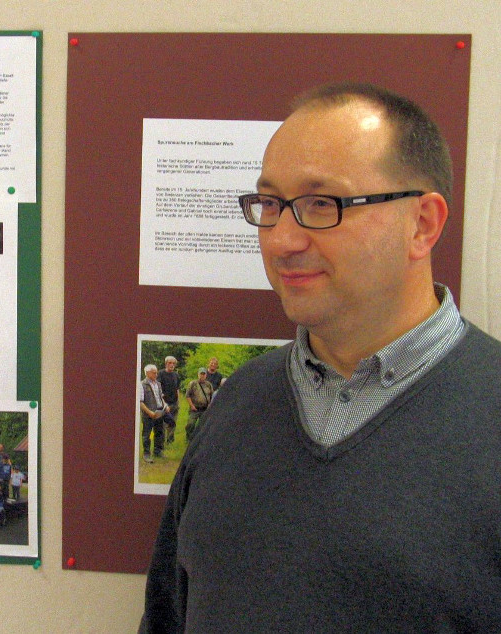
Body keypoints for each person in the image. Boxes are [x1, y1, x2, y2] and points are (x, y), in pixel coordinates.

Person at [140, 83, 501, 632]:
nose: (282, 239)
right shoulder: (238, 401)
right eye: (270, 204)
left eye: (320, 205)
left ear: (422, 223)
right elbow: (168, 613)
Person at [139, 364, 167, 462]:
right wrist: (149, 412)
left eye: (156, 372)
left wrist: (165, 405)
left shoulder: (158, 384)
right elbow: (140, 402)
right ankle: (146, 454)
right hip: (149, 413)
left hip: (159, 411)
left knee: (159, 432)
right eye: (154, 372)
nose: (156, 374)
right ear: (147, 373)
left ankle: (158, 451)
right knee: (147, 434)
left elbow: (161, 397)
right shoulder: (142, 384)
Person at [183, 367, 212, 443]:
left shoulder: (209, 385)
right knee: (190, 424)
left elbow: (211, 396)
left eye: (204, 374)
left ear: (206, 375)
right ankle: (189, 438)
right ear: (198, 374)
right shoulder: (192, 384)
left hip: (204, 409)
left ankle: (201, 440)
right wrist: (192, 406)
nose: (202, 376)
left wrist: (209, 405)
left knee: (204, 425)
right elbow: (187, 395)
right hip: (195, 408)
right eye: (201, 374)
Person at [157, 356, 181, 445]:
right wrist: (163, 403)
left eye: (173, 363)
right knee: (162, 425)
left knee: (172, 423)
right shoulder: (160, 374)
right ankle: (161, 443)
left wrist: (178, 401)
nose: (172, 365)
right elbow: (158, 389)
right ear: (166, 363)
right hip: (164, 404)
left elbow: (177, 389)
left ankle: (170, 442)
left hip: (174, 403)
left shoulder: (176, 375)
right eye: (170, 363)